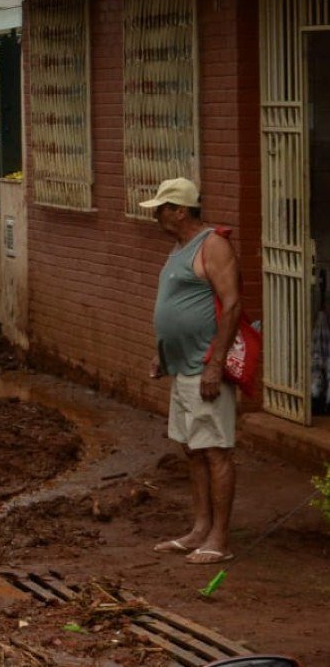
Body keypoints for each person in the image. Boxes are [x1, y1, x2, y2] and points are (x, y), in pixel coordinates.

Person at [144, 178, 242, 565]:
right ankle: (199, 528)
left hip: (204, 366)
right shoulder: (178, 248)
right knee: (192, 449)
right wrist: (161, 354)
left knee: (215, 450)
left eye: (161, 208)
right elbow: (175, 308)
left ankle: (219, 537)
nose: (155, 215)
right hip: (181, 367)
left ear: (180, 210)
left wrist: (215, 363)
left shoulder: (213, 244)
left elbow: (232, 304)